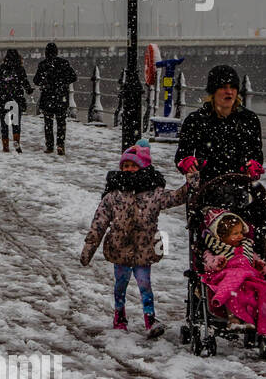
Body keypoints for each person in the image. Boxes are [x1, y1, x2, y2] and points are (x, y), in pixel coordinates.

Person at [80, 138, 193, 337]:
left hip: (144, 249)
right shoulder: (113, 195)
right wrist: (89, 248)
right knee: (120, 285)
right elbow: (99, 222)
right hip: (120, 248)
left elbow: (175, 197)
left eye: (134, 165)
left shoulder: (153, 193)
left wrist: (191, 182)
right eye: (126, 165)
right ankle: (119, 315)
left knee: (145, 285)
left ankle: (150, 319)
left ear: (143, 167)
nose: (129, 169)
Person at [175, 63, 266, 261]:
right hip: (207, 190)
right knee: (210, 234)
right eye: (223, 87)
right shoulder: (196, 120)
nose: (229, 91)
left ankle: (249, 263)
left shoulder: (249, 120)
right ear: (213, 92)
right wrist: (187, 162)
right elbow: (182, 155)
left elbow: (256, 153)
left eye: (233, 87)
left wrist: (253, 164)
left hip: (240, 188)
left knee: (249, 230)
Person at [199, 209, 266, 338]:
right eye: (235, 233)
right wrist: (217, 263)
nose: (240, 236)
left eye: (241, 232)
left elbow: (255, 259)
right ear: (222, 236)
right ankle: (234, 319)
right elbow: (208, 263)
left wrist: (259, 265)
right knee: (232, 288)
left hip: (248, 277)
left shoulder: (246, 246)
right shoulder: (214, 249)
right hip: (226, 276)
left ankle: (260, 326)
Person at [33, 41, 77, 156]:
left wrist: (45, 82)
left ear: (46, 52)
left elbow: (36, 81)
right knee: (61, 123)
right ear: (57, 52)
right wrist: (62, 82)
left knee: (48, 123)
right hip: (61, 97)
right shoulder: (64, 63)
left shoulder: (43, 64)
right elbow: (73, 77)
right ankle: (60, 145)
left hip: (47, 97)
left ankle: (49, 146)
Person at [0, 48, 33, 152]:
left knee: (4, 124)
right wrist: (29, 90)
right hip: (16, 99)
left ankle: (5, 146)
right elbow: (26, 84)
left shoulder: (0, 69)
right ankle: (16, 145)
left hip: (2, 100)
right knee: (16, 123)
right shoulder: (20, 69)